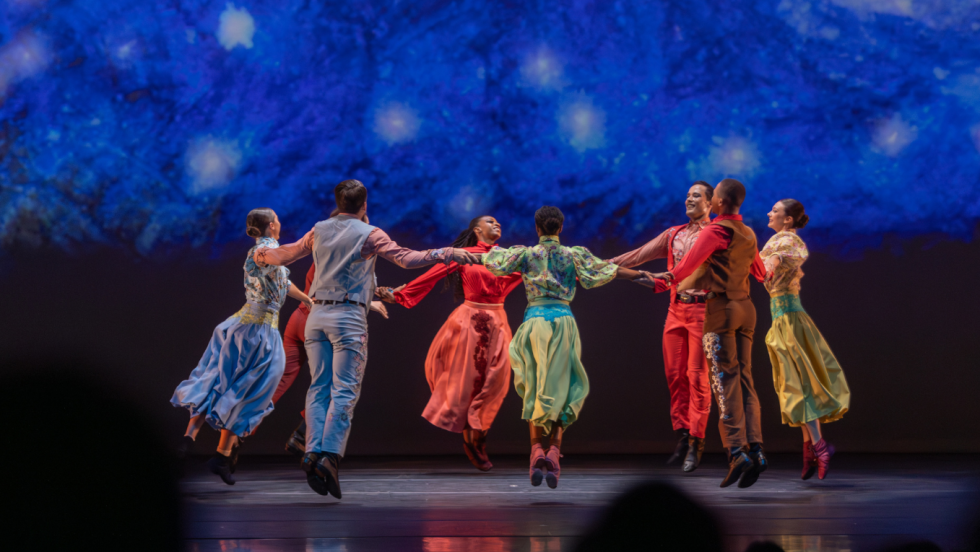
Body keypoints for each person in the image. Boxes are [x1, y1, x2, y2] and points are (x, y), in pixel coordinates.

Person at [252, 179, 482, 498]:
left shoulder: (320, 229)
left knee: (319, 386)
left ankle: (313, 451)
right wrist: (449, 253)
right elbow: (406, 258)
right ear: (364, 204)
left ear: (338, 201)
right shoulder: (370, 233)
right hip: (347, 318)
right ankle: (329, 457)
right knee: (345, 389)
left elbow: (288, 254)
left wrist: (263, 255)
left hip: (317, 317)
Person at [483, 206, 649, 489]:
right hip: (563, 322)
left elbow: (493, 261)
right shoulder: (573, 254)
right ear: (560, 228)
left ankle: (536, 450)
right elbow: (604, 270)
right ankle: (555, 452)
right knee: (565, 386)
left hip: (535, 322)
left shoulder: (525, 254)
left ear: (537, 229)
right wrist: (640, 275)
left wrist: (467, 250)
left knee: (536, 387)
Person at [171, 208, 313, 485]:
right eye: (278, 221)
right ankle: (220, 453)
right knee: (252, 389)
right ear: (272, 225)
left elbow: (284, 281)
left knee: (221, 379)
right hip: (258, 332)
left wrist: (307, 298)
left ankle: (194, 442)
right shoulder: (265, 251)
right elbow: (282, 258)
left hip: (241, 325)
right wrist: (312, 239)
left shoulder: (265, 251)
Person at [376, 216, 522, 471]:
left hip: (498, 323)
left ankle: (480, 434)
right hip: (469, 323)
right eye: (490, 221)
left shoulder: (509, 257)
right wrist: (399, 295)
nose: (497, 224)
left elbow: (543, 271)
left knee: (496, 381)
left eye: (499, 222)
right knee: (467, 383)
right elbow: (431, 276)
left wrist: (585, 270)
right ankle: (473, 439)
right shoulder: (463, 255)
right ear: (477, 230)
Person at [648, 179, 767, 488]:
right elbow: (761, 273)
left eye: (708, 196)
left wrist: (662, 281)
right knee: (745, 381)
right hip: (746, 309)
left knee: (722, 382)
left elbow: (686, 266)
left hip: (720, 311)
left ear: (718, 203)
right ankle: (756, 449)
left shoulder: (715, 230)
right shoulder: (749, 232)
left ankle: (736, 452)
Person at [608, 181, 714, 472]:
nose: (688, 199)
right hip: (676, 310)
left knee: (698, 379)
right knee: (675, 376)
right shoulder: (673, 234)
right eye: (687, 195)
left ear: (711, 203)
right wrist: (602, 266)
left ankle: (697, 440)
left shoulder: (716, 234)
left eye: (695, 195)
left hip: (704, 311)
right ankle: (683, 433)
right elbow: (637, 256)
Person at [275, 210, 389, 457]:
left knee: (281, 381)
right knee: (334, 385)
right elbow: (341, 292)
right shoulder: (346, 258)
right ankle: (308, 438)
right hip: (319, 320)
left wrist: (378, 295)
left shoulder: (323, 253)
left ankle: (235, 435)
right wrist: (370, 302)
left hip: (299, 319)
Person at [761, 199, 850, 480]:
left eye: (775, 210)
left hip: (790, 320)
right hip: (783, 318)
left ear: (788, 220)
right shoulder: (780, 240)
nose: (769, 213)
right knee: (795, 383)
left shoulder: (785, 242)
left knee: (797, 383)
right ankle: (811, 448)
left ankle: (819, 446)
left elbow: (767, 268)